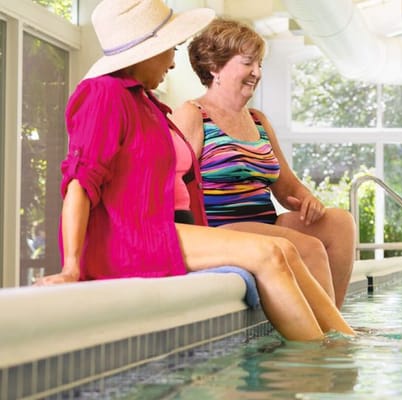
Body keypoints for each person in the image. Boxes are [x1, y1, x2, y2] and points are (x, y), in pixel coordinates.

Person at [38, 0, 353, 341]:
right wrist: (71, 267)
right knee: (274, 253)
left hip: (164, 231)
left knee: (285, 250)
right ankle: (322, 359)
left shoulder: (147, 104)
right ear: (146, 50)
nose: (173, 62)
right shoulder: (103, 94)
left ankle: (341, 340)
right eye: (169, 49)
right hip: (136, 238)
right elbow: (80, 183)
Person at [171, 19, 356, 309]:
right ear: (215, 68)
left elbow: (286, 186)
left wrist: (308, 199)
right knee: (308, 248)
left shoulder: (258, 120)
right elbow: (171, 184)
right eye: (248, 63)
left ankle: (333, 319)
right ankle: (332, 338)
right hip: (221, 228)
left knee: (340, 223)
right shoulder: (193, 114)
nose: (257, 72)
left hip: (265, 223)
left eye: (259, 64)